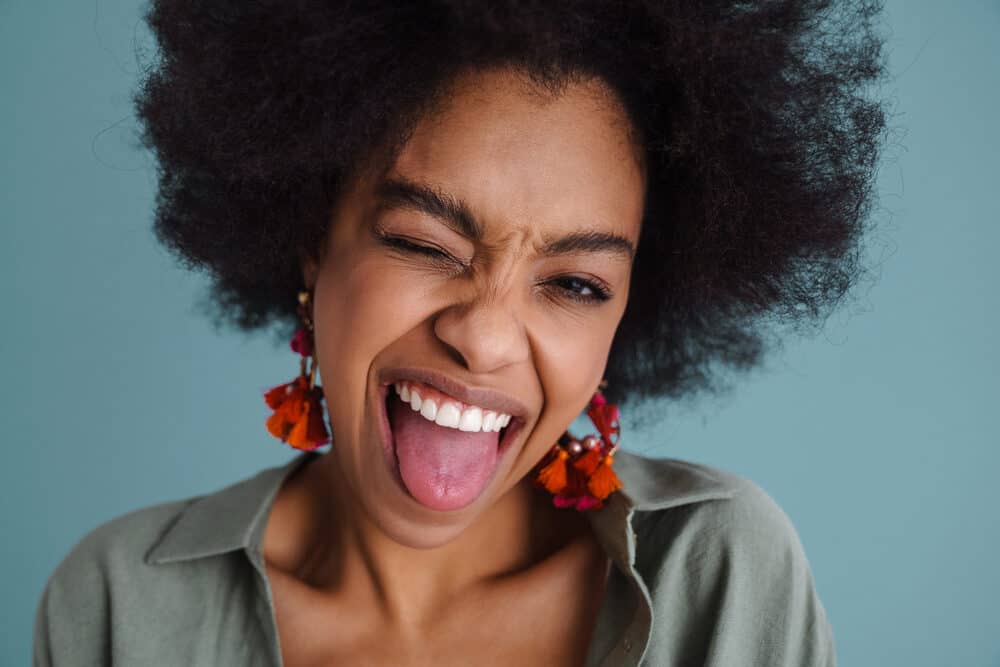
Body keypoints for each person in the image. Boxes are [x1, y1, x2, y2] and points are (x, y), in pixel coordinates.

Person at [33, 1, 887, 665]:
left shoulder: (721, 573)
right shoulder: (119, 603)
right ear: (311, 243)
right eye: (421, 243)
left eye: (576, 284)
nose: (484, 337)